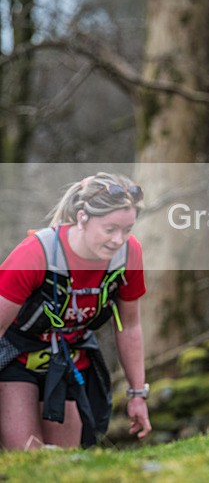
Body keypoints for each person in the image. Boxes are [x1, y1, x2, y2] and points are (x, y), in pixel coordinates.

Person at [0, 172, 151, 449]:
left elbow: (129, 326)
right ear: (82, 218)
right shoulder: (35, 254)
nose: (118, 240)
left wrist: (137, 394)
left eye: (127, 230)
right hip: (16, 358)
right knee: (26, 456)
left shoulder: (129, 255)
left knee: (65, 463)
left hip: (68, 359)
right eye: (110, 229)